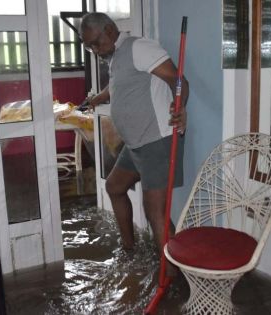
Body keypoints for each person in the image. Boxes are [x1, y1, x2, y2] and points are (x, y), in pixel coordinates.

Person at [79, 12, 189, 275]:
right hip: (136, 143)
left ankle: (171, 278)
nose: (95, 51)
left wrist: (180, 106)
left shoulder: (139, 47)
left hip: (156, 140)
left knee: (155, 212)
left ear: (108, 30)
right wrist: (98, 99)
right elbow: (120, 86)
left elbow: (178, 80)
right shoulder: (116, 57)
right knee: (115, 187)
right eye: (89, 47)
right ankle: (129, 249)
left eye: (96, 43)